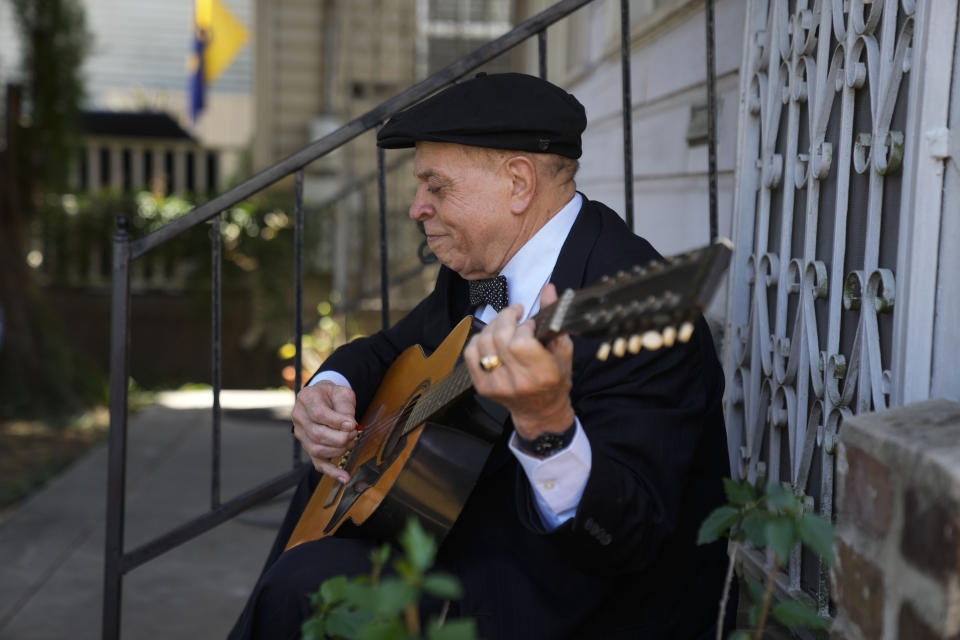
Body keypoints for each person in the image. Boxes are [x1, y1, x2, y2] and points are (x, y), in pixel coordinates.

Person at [230, 72, 731, 639]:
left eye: (436, 187)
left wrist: (546, 423)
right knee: (319, 491)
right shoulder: (480, 268)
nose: (417, 208)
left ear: (518, 183)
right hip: (466, 529)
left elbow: (626, 536)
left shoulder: (645, 312)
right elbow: (391, 350)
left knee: (311, 580)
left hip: (580, 596)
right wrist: (334, 384)